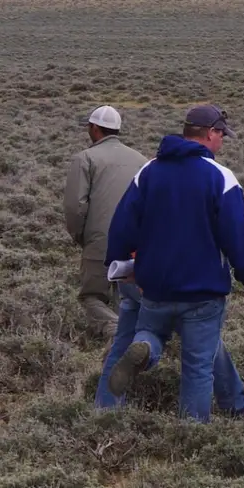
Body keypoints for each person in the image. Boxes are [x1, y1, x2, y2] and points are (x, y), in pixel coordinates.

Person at [103, 103, 244, 422]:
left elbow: (122, 225)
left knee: (150, 332)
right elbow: (237, 237)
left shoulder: (149, 171)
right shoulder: (221, 177)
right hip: (203, 291)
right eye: (221, 135)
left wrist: (123, 268)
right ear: (210, 133)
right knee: (198, 367)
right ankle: (190, 434)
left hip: (155, 286)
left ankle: (146, 349)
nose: (222, 142)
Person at [65, 106, 145, 333]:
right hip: (135, 240)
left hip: (100, 237)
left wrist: (80, 235)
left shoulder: (85, 158)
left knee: (92, 296)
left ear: (95, 128)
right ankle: (132, 337)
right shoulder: (140, 159)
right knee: (127, 295)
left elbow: (75, 206)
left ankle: (114, 332)